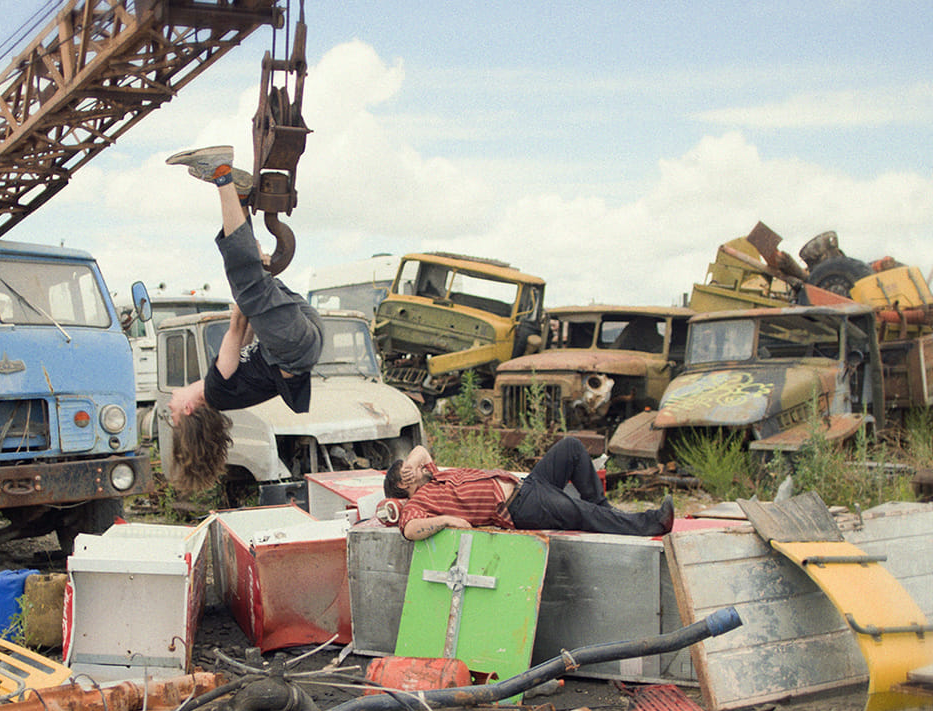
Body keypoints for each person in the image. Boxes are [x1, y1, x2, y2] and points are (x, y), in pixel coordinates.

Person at [163, 145, 324, 493]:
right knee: (245, 278)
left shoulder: (225, 390)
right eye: (171, 414)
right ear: (189, 409)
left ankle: (239, 195)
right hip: (292, 347)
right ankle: (221, 173)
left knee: (250, 280)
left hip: (300, 341)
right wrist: (253, 280)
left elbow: (247, 331)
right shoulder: (216, 391)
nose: (169, 407)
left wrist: (257, 278)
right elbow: (237, 327)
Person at [383, 436, 673, 541]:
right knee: (580, 512)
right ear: (402, 483)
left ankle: (604, 509)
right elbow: (410, 529)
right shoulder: (418, 504)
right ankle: (652, 523)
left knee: (571, 447)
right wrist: (446, 520)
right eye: (409, 470)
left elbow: (421, 451)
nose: (418, 467)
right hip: (519, 508)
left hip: (527, 485)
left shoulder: (434, 476)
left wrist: (411, 462)